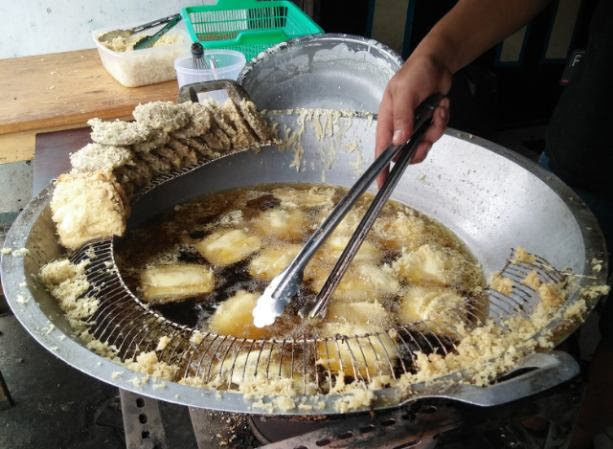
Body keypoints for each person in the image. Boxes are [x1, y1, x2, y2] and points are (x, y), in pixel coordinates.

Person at [375, 1, 612, 448]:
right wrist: (436, 55)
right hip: (591, 140)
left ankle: (579, 431)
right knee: (552, 327)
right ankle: (535, 421)